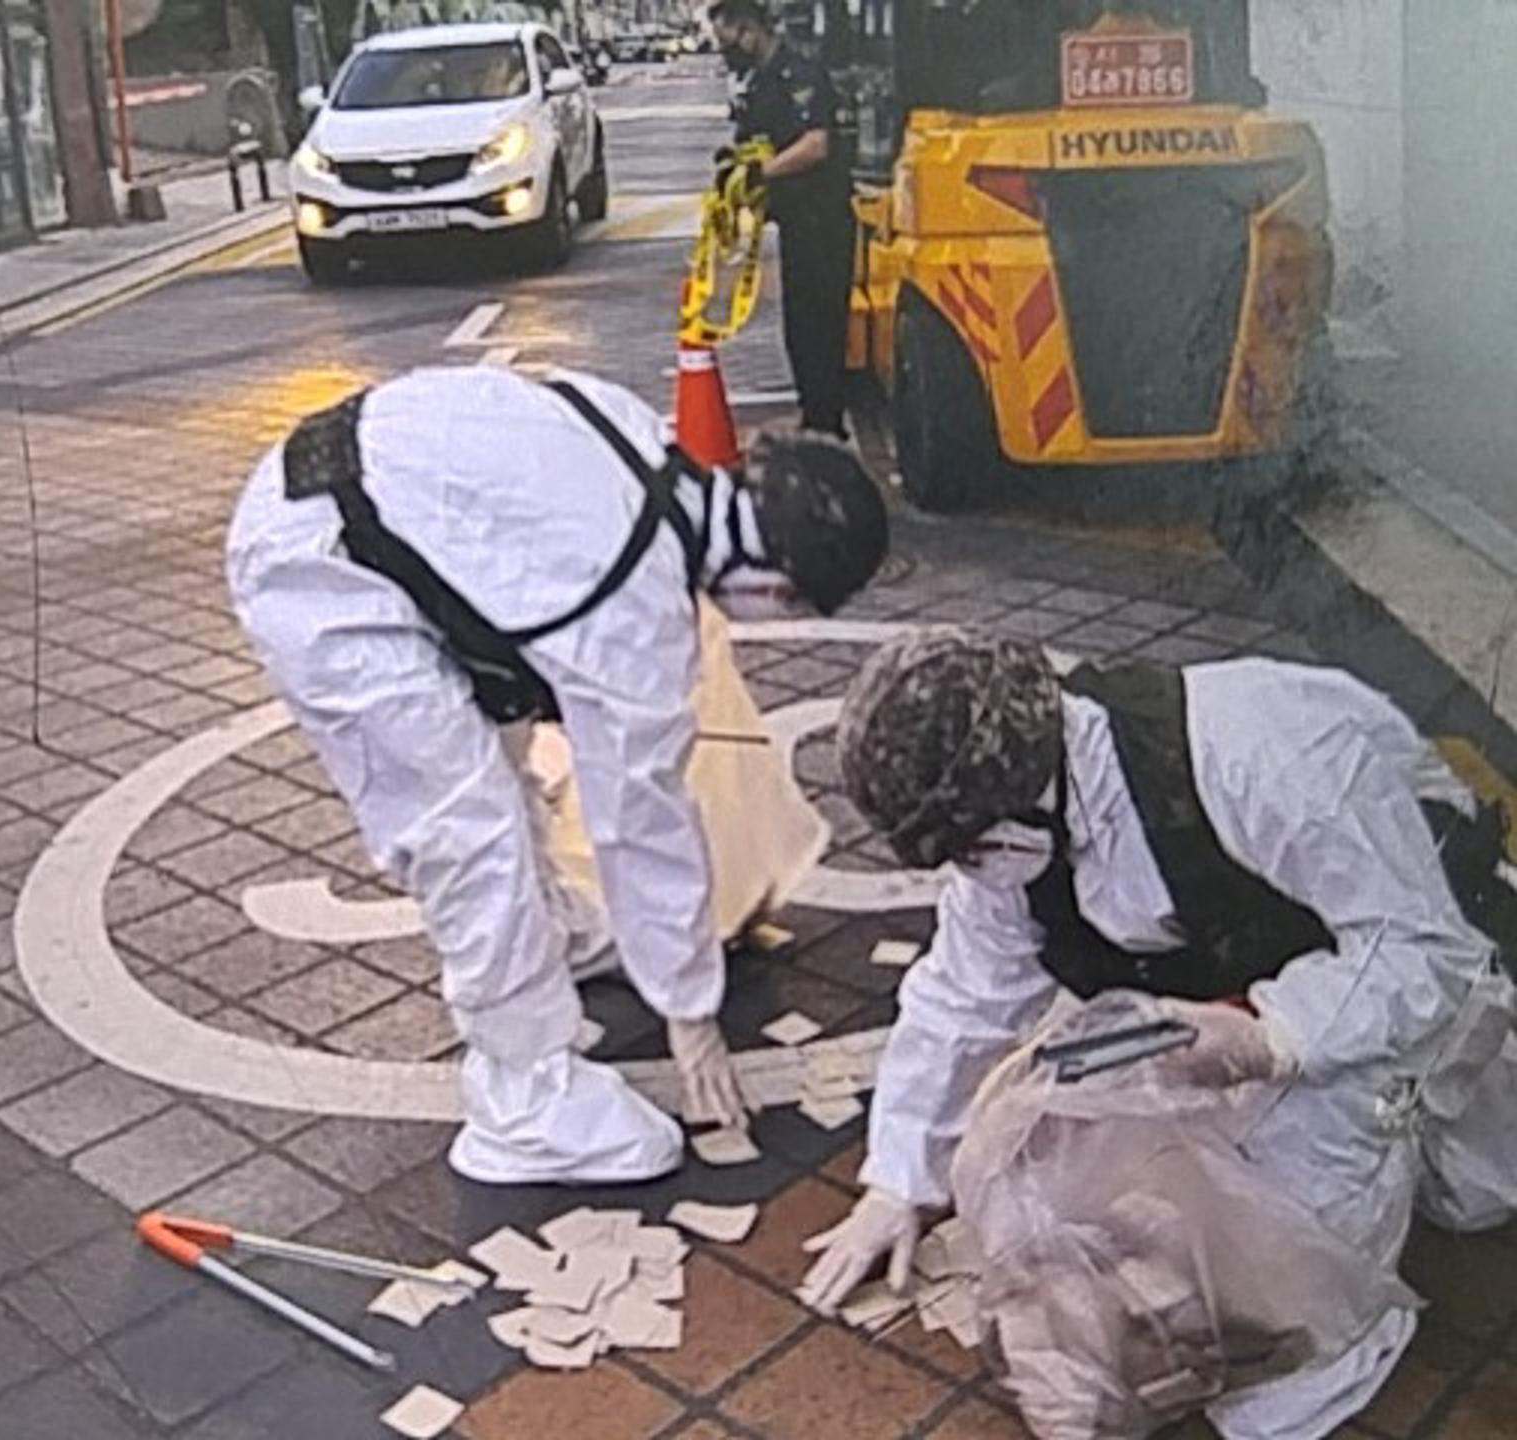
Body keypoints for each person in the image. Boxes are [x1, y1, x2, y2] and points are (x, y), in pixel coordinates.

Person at [803, 628, 1517, 1438]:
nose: (971, 871)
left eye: (967, 847)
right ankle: (1406, 1147)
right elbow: (961, 996)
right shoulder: (1016, 830)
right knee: (1085, 1152)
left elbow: (1426, 948)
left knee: (1286, 1367)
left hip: (1411, 968)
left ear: (1019, 790)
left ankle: (1373, 1296)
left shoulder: (1258, 752)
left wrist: (1269, 1036)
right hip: (1234, 993)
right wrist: (898, 1180)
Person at [227, 366, 888, 1185]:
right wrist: (690, 1015)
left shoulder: (640, 442)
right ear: (776, 585)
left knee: (498, 756)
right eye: (792, 609)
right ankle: (523, 1098)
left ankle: (549, 932)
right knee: (467, 828)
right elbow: (639, 820)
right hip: (321, 572)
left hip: (354, 507)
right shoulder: (635, 606)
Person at [707, 0, 855, 437]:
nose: (725, 49)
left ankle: (827, 425)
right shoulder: (759, 82)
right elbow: (759, 141)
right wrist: (734, 164)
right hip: (795, 222)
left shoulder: (800, 75)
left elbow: (815, 144)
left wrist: (761, 172)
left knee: (820, 326)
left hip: (823, 220)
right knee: (799, 330)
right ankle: (815, 416)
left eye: (727, 39)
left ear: (749, 28)